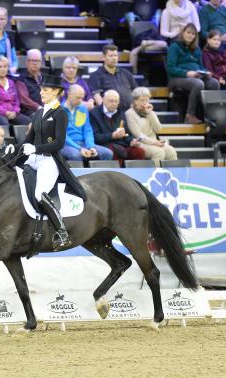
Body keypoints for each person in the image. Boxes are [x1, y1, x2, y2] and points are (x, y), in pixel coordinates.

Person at [18, 75, 87, 250]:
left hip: (50, 161)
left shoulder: (60, 112)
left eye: (45, 90)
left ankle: (62, 233)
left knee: (39, 194)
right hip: (35, 159)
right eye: (41, 89)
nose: (41, 93)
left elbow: (59, 143)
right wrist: (14, 151)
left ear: (56, 92)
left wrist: (36, 149)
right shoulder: (39, 112)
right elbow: (29, 139)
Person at [167, 23, 220, 124]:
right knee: (198, 84)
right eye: (188, 32)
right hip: (177, 79)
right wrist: (186, 73)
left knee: (214, 82)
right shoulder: (175, 47)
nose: (190, 35)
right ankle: (189, 115)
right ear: (183, 33)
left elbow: (200, 66)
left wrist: (205, 72)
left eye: (193, 34)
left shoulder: (197, 48)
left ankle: (211, 115)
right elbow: (170, 68)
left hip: (195, 76)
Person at [60, 84, 113, 161]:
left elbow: (87, 130)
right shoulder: (58, 111)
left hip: (82, 143)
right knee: (76, 155)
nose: (80, 101)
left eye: (82, 98)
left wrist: (91, 146)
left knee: (107, 153)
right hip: (65, 145)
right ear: (69, 95)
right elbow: (62, 136)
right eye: (78, 98)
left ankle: (99, 173)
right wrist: (79, 148)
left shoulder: (82, 109)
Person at [89, 89, 145, 162]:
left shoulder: (121, 113)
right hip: (104, 144)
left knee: (139, 151)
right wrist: (112, 136)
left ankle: (135, 173)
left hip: (121, 144)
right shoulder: (94, 114)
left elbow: (127, 133)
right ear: (103, 100)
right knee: (114, 152)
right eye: (111, 101)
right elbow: (95, 137)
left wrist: (131, 141)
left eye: (116, 101)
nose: (114, 103)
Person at [125, 87, 178, 163]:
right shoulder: (129, 113)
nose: (145, 103)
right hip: (140, 143)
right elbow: (138, 135)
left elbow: (158, 129)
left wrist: (149, 113)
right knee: (159, 152)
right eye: (142, 100)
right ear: (135, 101)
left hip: (154, 141)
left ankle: (173, 174)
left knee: (171, 151)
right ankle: (154, 174)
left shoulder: (150, 112)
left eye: (147, 100)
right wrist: (154, 143)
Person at [88, 44, 138, 112]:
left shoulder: (126, 73)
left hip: (130, 112)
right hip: (110, 114)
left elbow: (136, 92)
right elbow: (97, 97)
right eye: (111, 56)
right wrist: (106, 112)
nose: (114, 58)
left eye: (116, 55)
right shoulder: (96, 76)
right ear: (103, 57)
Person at [0, 56, 31, 125]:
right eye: (0, 67)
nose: (2, 69)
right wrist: (5, 112)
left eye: (5, 67)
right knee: (4, 123)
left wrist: (15, 111)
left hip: (12, 112)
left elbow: (17, 101)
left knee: (28, 121)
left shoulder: (11, 82)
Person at [202, 30, 226, 96]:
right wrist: (218, 77)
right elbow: (209, 70)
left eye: (219, 40)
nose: (217, 42)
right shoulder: (206, 54)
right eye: (214, 39)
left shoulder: (224, 52)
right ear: (208, 40)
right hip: (220, 78)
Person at [17, 49, 44, 116]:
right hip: (28, 111)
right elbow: (24, 100)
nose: (35, 63)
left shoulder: (44, 78)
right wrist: (39, 107)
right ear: (27, 62)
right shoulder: (21, 79)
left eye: (37, 61)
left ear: (41, 63)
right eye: (32, 60)